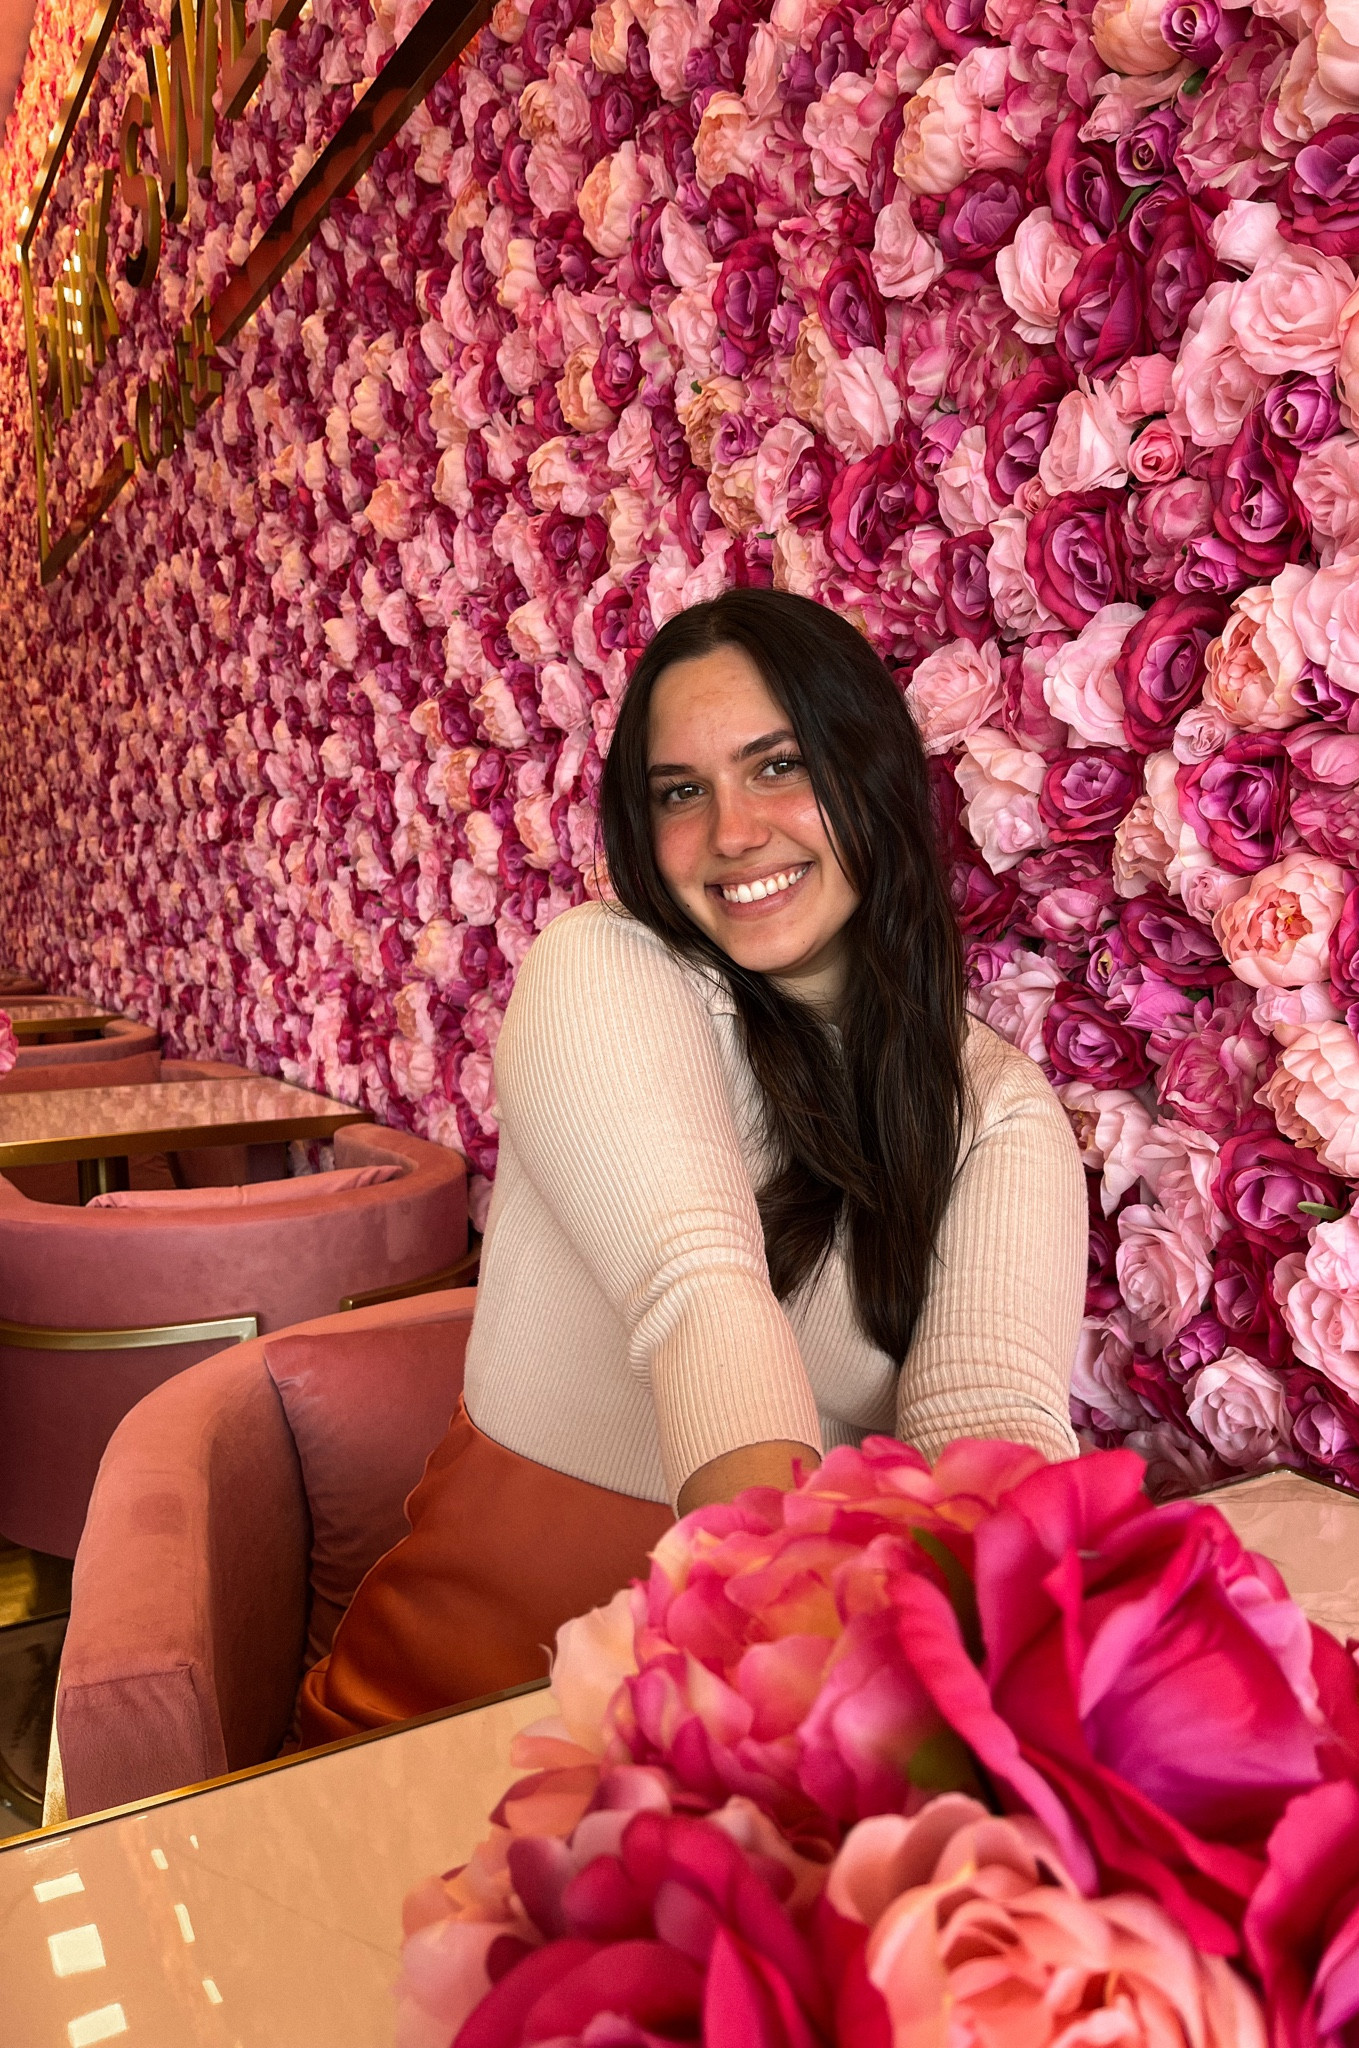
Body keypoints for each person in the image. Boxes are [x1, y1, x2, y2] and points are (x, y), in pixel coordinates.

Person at [300, 590, 1087, 1742]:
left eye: (778, 766)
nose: (732, 831)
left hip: (789, 1734)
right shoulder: (603, 970)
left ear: (869, 774)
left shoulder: (998, 1112)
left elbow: (987, 1441)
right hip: (439, 1724)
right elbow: (701, 1295)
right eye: (682, 791)